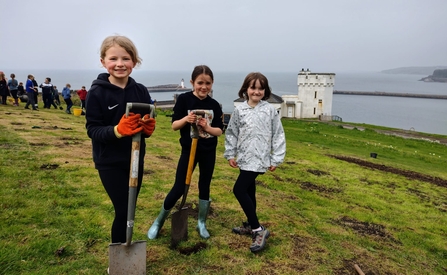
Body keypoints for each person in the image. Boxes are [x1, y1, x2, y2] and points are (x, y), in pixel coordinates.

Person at [85, 35, 156, 245]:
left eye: (126, 58)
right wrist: (117, 130)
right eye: (113, 58)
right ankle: (119, 255)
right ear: (103, 61)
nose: (119, 64)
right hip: (109, 162)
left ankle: (125, 248)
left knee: (130, 206)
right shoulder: (96, 93)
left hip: (134, 159)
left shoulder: (140, 90)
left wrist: (147, 129)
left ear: (134, 61)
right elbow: (93, 129)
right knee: (123, 209)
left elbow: (146, 120)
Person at [147, 65, 224, 240]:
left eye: (208, 83)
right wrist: (186, 119)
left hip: (208, 152)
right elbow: (174, 126)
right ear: (192, 82)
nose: (204, 87)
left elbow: (219, 131)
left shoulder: (214, 105)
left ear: (212, 84)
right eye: (200, 83)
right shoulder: (184, 100)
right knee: (179, 187)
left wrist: (207, 127)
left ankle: (201, 223)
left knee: (204, 186)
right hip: (189, 151)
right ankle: (158, 222)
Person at [224, 72, 286, 253]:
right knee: (249, 191)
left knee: (239, 189)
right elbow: (232, 133)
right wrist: (230, 154)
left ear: (265, 90)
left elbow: (278, 134)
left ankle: (258, 230)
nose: (256, 91)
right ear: (246, 89)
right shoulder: (239, 110)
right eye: (253, 87)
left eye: (260, 88)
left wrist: (276, 158)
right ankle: (251, 224)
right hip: (244, 158)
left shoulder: (269, 110)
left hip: (260, 159)